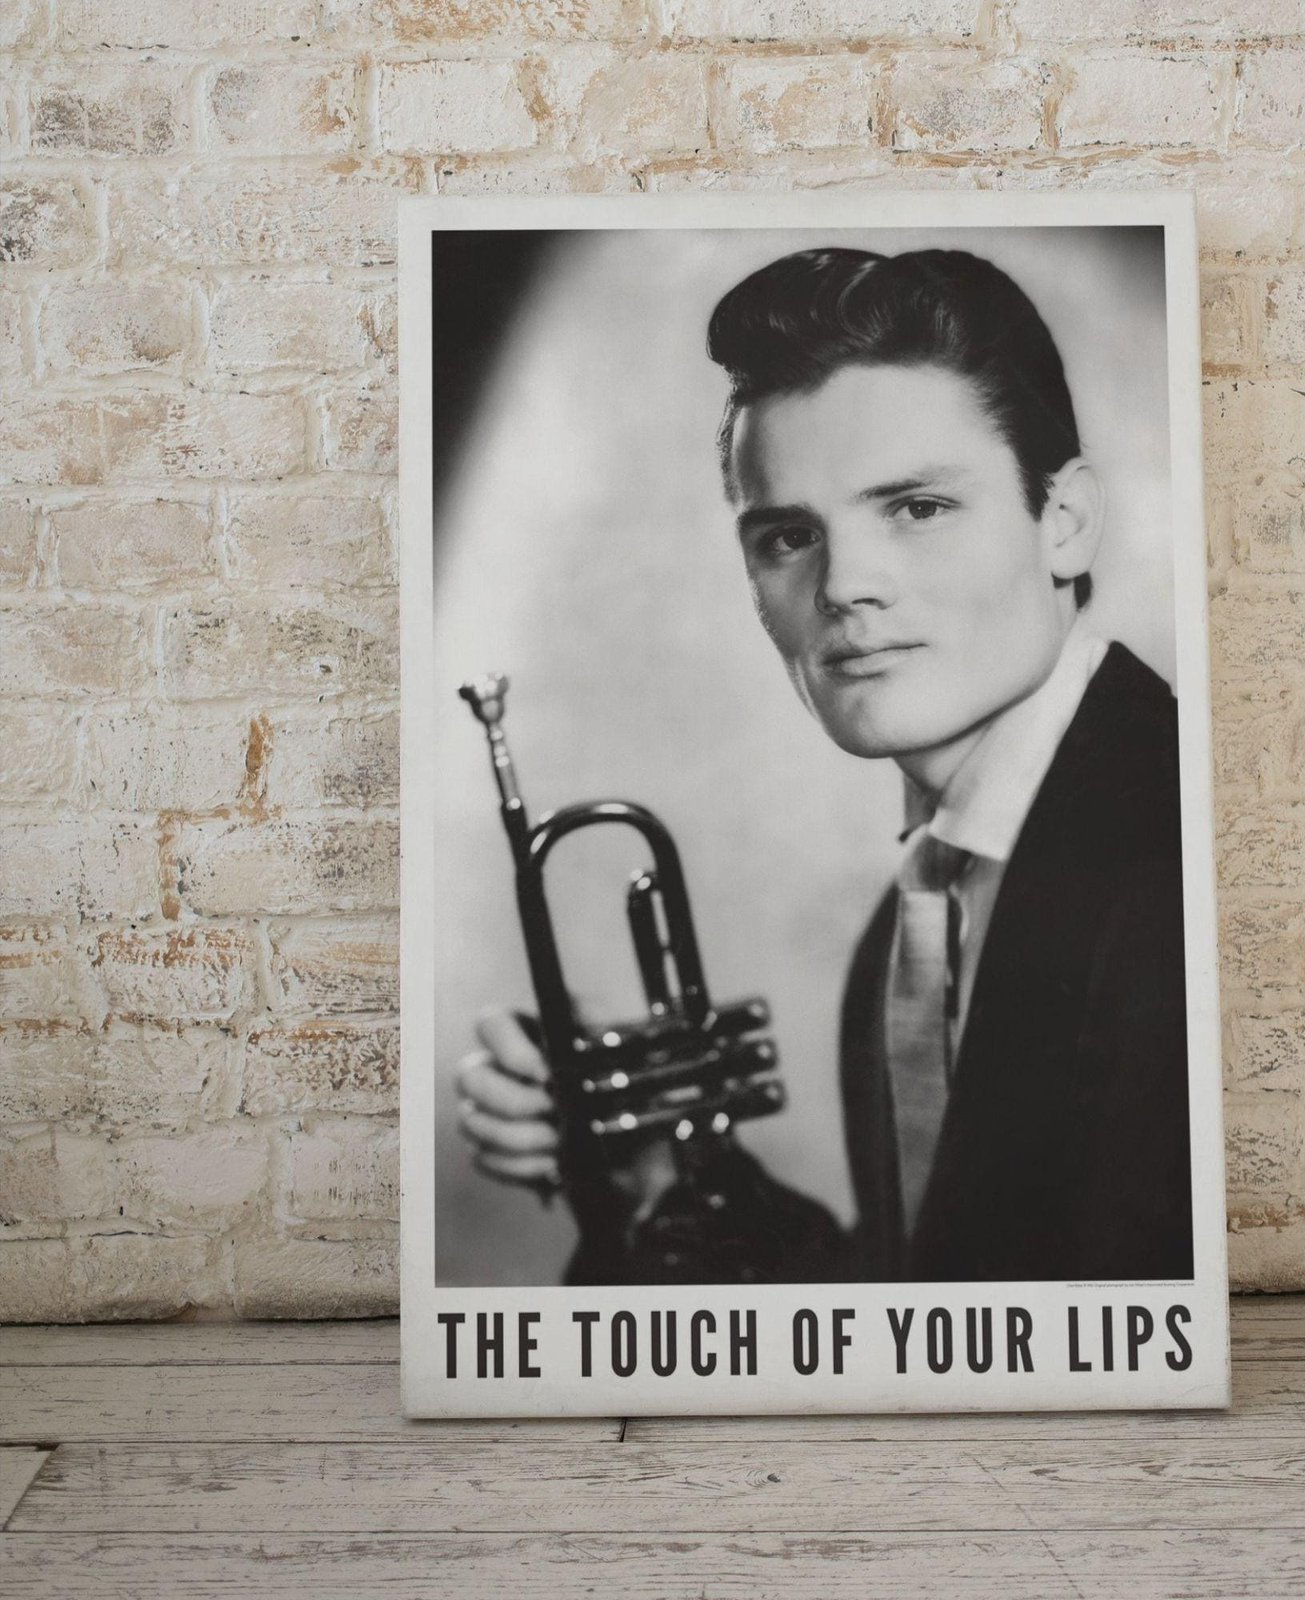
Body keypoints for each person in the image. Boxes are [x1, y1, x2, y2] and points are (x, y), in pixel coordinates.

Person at [457, 245, 1193, 1283]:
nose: (845, 584)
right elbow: (944, 1306)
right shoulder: (914, 922)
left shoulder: (1179, 858)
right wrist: (661, 1176)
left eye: (917, 508)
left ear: (1063, 522)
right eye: (788, 536)